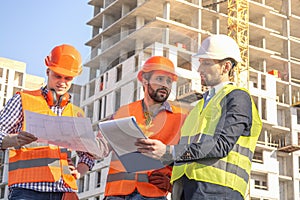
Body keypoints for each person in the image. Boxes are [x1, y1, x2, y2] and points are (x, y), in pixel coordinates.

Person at [135, 34, 263, 200]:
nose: (199, 69)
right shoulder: (200, 106)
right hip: (185, 190)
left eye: (207, 63)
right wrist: (160, 154)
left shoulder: (237, 97)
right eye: (200, 63)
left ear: (225, 67)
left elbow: (221, 145)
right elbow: (189, 152)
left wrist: (169, 151)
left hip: (218, 191)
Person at [0, 44, 95, 200]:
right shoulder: (23, 100)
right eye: (57, 76)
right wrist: (15, 139)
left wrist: (79, 170)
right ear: (47, 71)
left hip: (64, 191)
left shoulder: (76, 113)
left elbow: (88, 155)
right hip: (27, 190)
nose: (62, 82)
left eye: (68, 78)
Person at [101, 56, 189, 200]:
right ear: (144, 80)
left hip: (153, 193)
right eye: (160, 79)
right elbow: (102, 146)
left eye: (168, 81)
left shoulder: (180, 118)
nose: (165, 85)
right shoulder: (124, 111)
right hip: (117, 193)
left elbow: (184, 155)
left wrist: (172, 184)